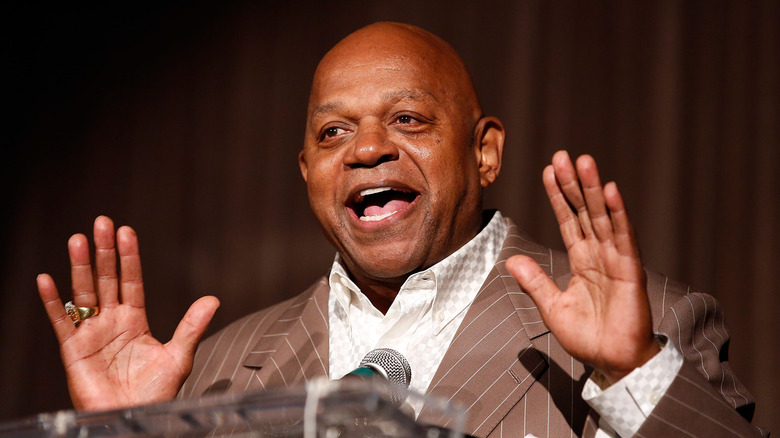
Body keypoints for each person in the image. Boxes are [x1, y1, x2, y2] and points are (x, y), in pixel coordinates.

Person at [37, 22, 765, 437]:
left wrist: (634, 374)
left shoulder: (652, 329)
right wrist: (119, 432)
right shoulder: (212, 375)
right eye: (333, 133)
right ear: (306, 171)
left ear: (484, 152)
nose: (365, 150)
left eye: (408, 120)